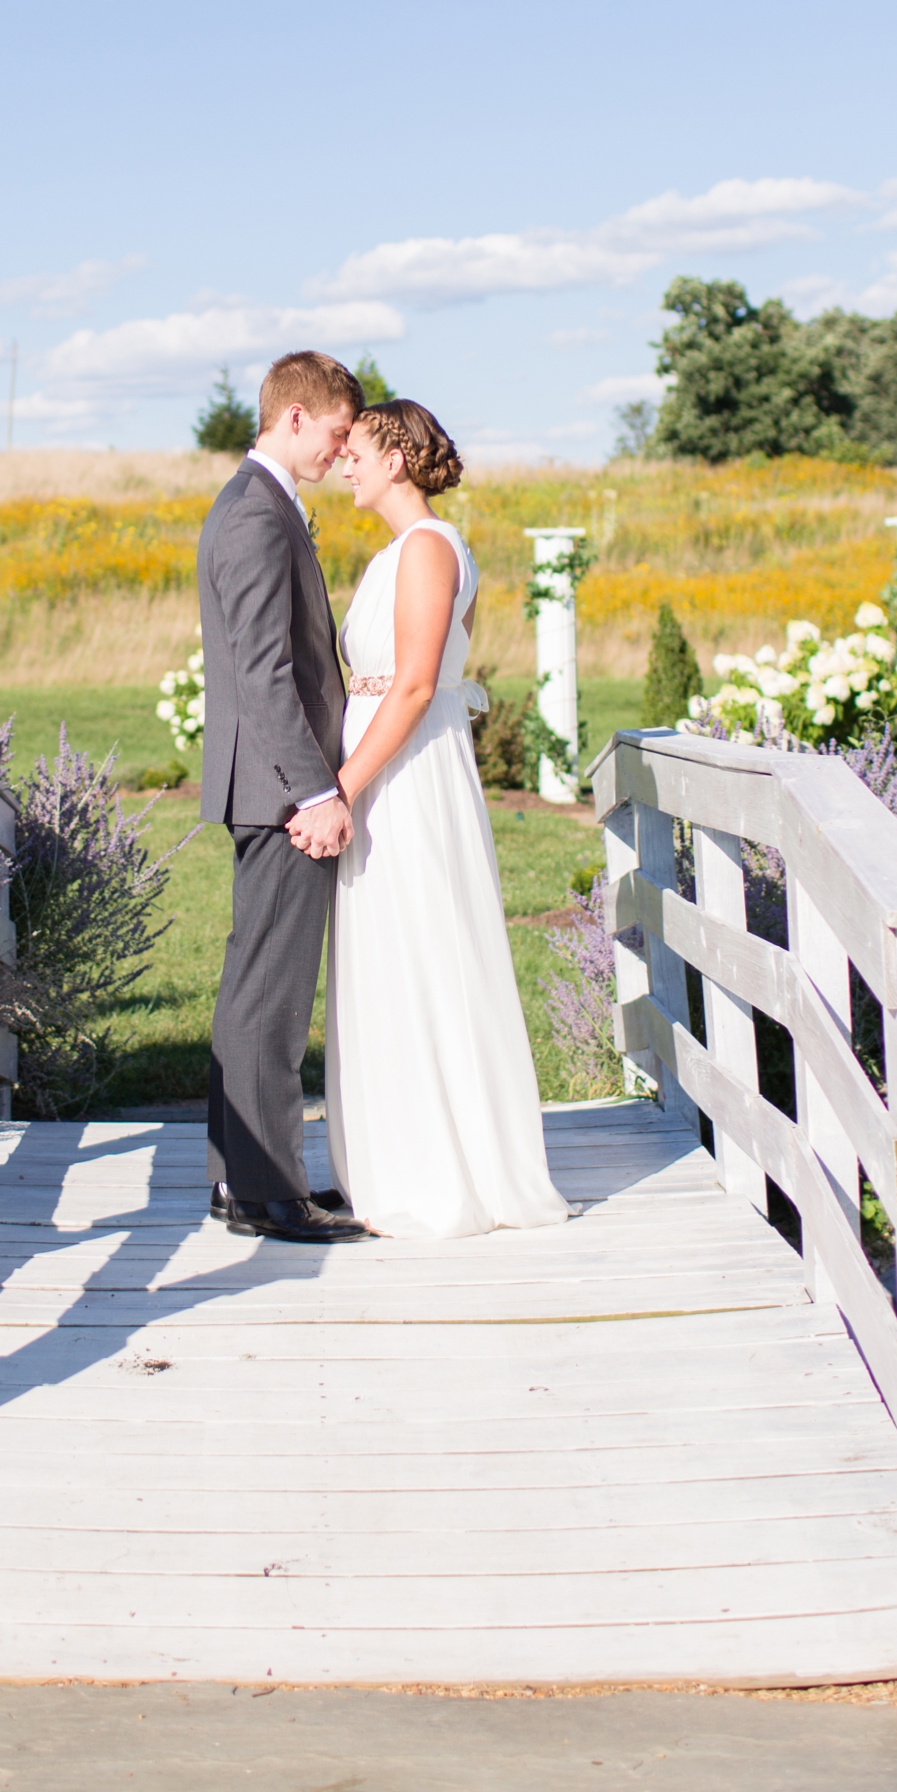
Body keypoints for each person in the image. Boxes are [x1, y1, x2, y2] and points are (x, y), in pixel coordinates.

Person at [325, 398, 569, 1240]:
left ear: (395, 458)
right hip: (398, 761)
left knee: (421, 947)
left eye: (356, 449)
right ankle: (403, 1158)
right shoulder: (401, 553)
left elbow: (420, 684)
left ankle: (438, 1174)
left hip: (404, 778)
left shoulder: (427, 548)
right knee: (395, 953)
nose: (344, 463)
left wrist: (346, 786)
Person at [196, 349, 369, 1245]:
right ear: (294, 416)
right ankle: (269, 1195)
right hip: (281, 795)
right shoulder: (259, 516)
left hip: (265, 788)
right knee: (272, 994)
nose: (344, 452)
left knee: (252, 984)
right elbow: (267, 677)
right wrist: (316, 791)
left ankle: (240, 1183)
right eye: (339, 432)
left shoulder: (256, 506)